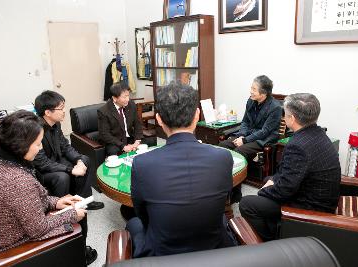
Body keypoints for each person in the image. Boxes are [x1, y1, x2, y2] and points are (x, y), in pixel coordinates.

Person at [126, 81, 237, 258]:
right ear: (197, 115)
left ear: (159, 119)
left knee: (133, 223)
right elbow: (223, 201)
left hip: (163, 254)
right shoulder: (223, 157)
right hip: (215, 249)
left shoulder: (142, 164)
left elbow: (143, 214)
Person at [0, 111, 97, 265]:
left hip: (0, 235)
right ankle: (80, 256)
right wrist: (72, 215)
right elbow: (38, 229)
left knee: (72, 210)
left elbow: (28, 200)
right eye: (38, 143)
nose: (40, 148)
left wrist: (56, 202)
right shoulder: (17, 180)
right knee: (77, 221)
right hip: (9, 248)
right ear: (21, 145)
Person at [239, 93, 341, 241]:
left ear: (292, 119)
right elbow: (290, 174)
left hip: (309, 210)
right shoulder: (319, 133)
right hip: (315, 194)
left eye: (285, 115)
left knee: (247, 203)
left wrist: (265, 191)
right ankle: (273, 221)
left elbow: (284, 190)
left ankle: (271, 240)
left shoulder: (297, 146)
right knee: (268, 178)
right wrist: (272, 180)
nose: (283, 118)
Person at [33, 90, 104, 211]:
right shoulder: (36, 130)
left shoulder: (56, 124)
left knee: (84, 159)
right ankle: (63, 209)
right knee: (62, 177)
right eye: (61, 108)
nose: (64, 111)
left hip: (57, 161)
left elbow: (65, 146)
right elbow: (42, 163)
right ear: (48, 112)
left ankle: (84, 200)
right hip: (43, 170)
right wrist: (70, 169)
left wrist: (79, 160)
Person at [219, 75, 282, 203]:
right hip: (248, 135)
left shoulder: (275, 108)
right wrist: (241, 135)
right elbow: (245, 122)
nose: (251, 91)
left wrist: (245, 140)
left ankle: (235, 192)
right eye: (251, 88)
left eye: (254, 89)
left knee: (239, 151)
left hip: (264, 139)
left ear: (263, 93)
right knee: (222, 146)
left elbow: (265, 131)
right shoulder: (251, 101)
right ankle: (222, 183)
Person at [98, 82, 143, 156]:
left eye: (128, 96)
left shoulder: (131, 105)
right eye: (124, 97)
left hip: (129, 137)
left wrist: (136, 142)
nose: (128, 99)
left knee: (148, 143)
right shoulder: (103, 111)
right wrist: (123, 146)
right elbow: (105, 134)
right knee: (113, 151)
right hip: (115, 141)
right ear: (114, 98)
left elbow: (138, 124)